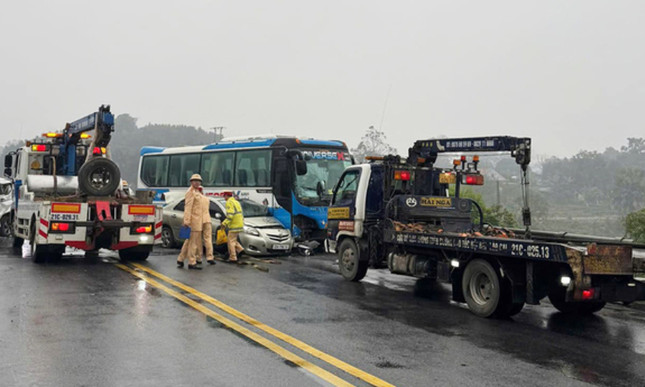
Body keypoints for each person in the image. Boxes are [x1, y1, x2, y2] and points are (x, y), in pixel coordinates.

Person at [177, 174, 209, 270]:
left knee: (189, 241)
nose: (197, 182)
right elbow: (188, 207)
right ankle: (192, 262)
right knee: (193, 243)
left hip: (198, 221)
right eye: (195, 181)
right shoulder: (190, 192)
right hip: (193, 221)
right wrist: (187, 221)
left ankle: (181, 258)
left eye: (198, 181)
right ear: (191, 182)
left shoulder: (197, 192)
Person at [221, 191, 244, 262]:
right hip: (239, 224)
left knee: (230, 241)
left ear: (227, 196)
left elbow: (230, 216)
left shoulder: (229, 202)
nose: (224, 197)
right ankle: (240, 250)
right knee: (233, 239)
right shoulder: (236, 202)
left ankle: (233, 257)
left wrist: (224, 223)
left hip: (234, 224)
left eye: (224, 196)